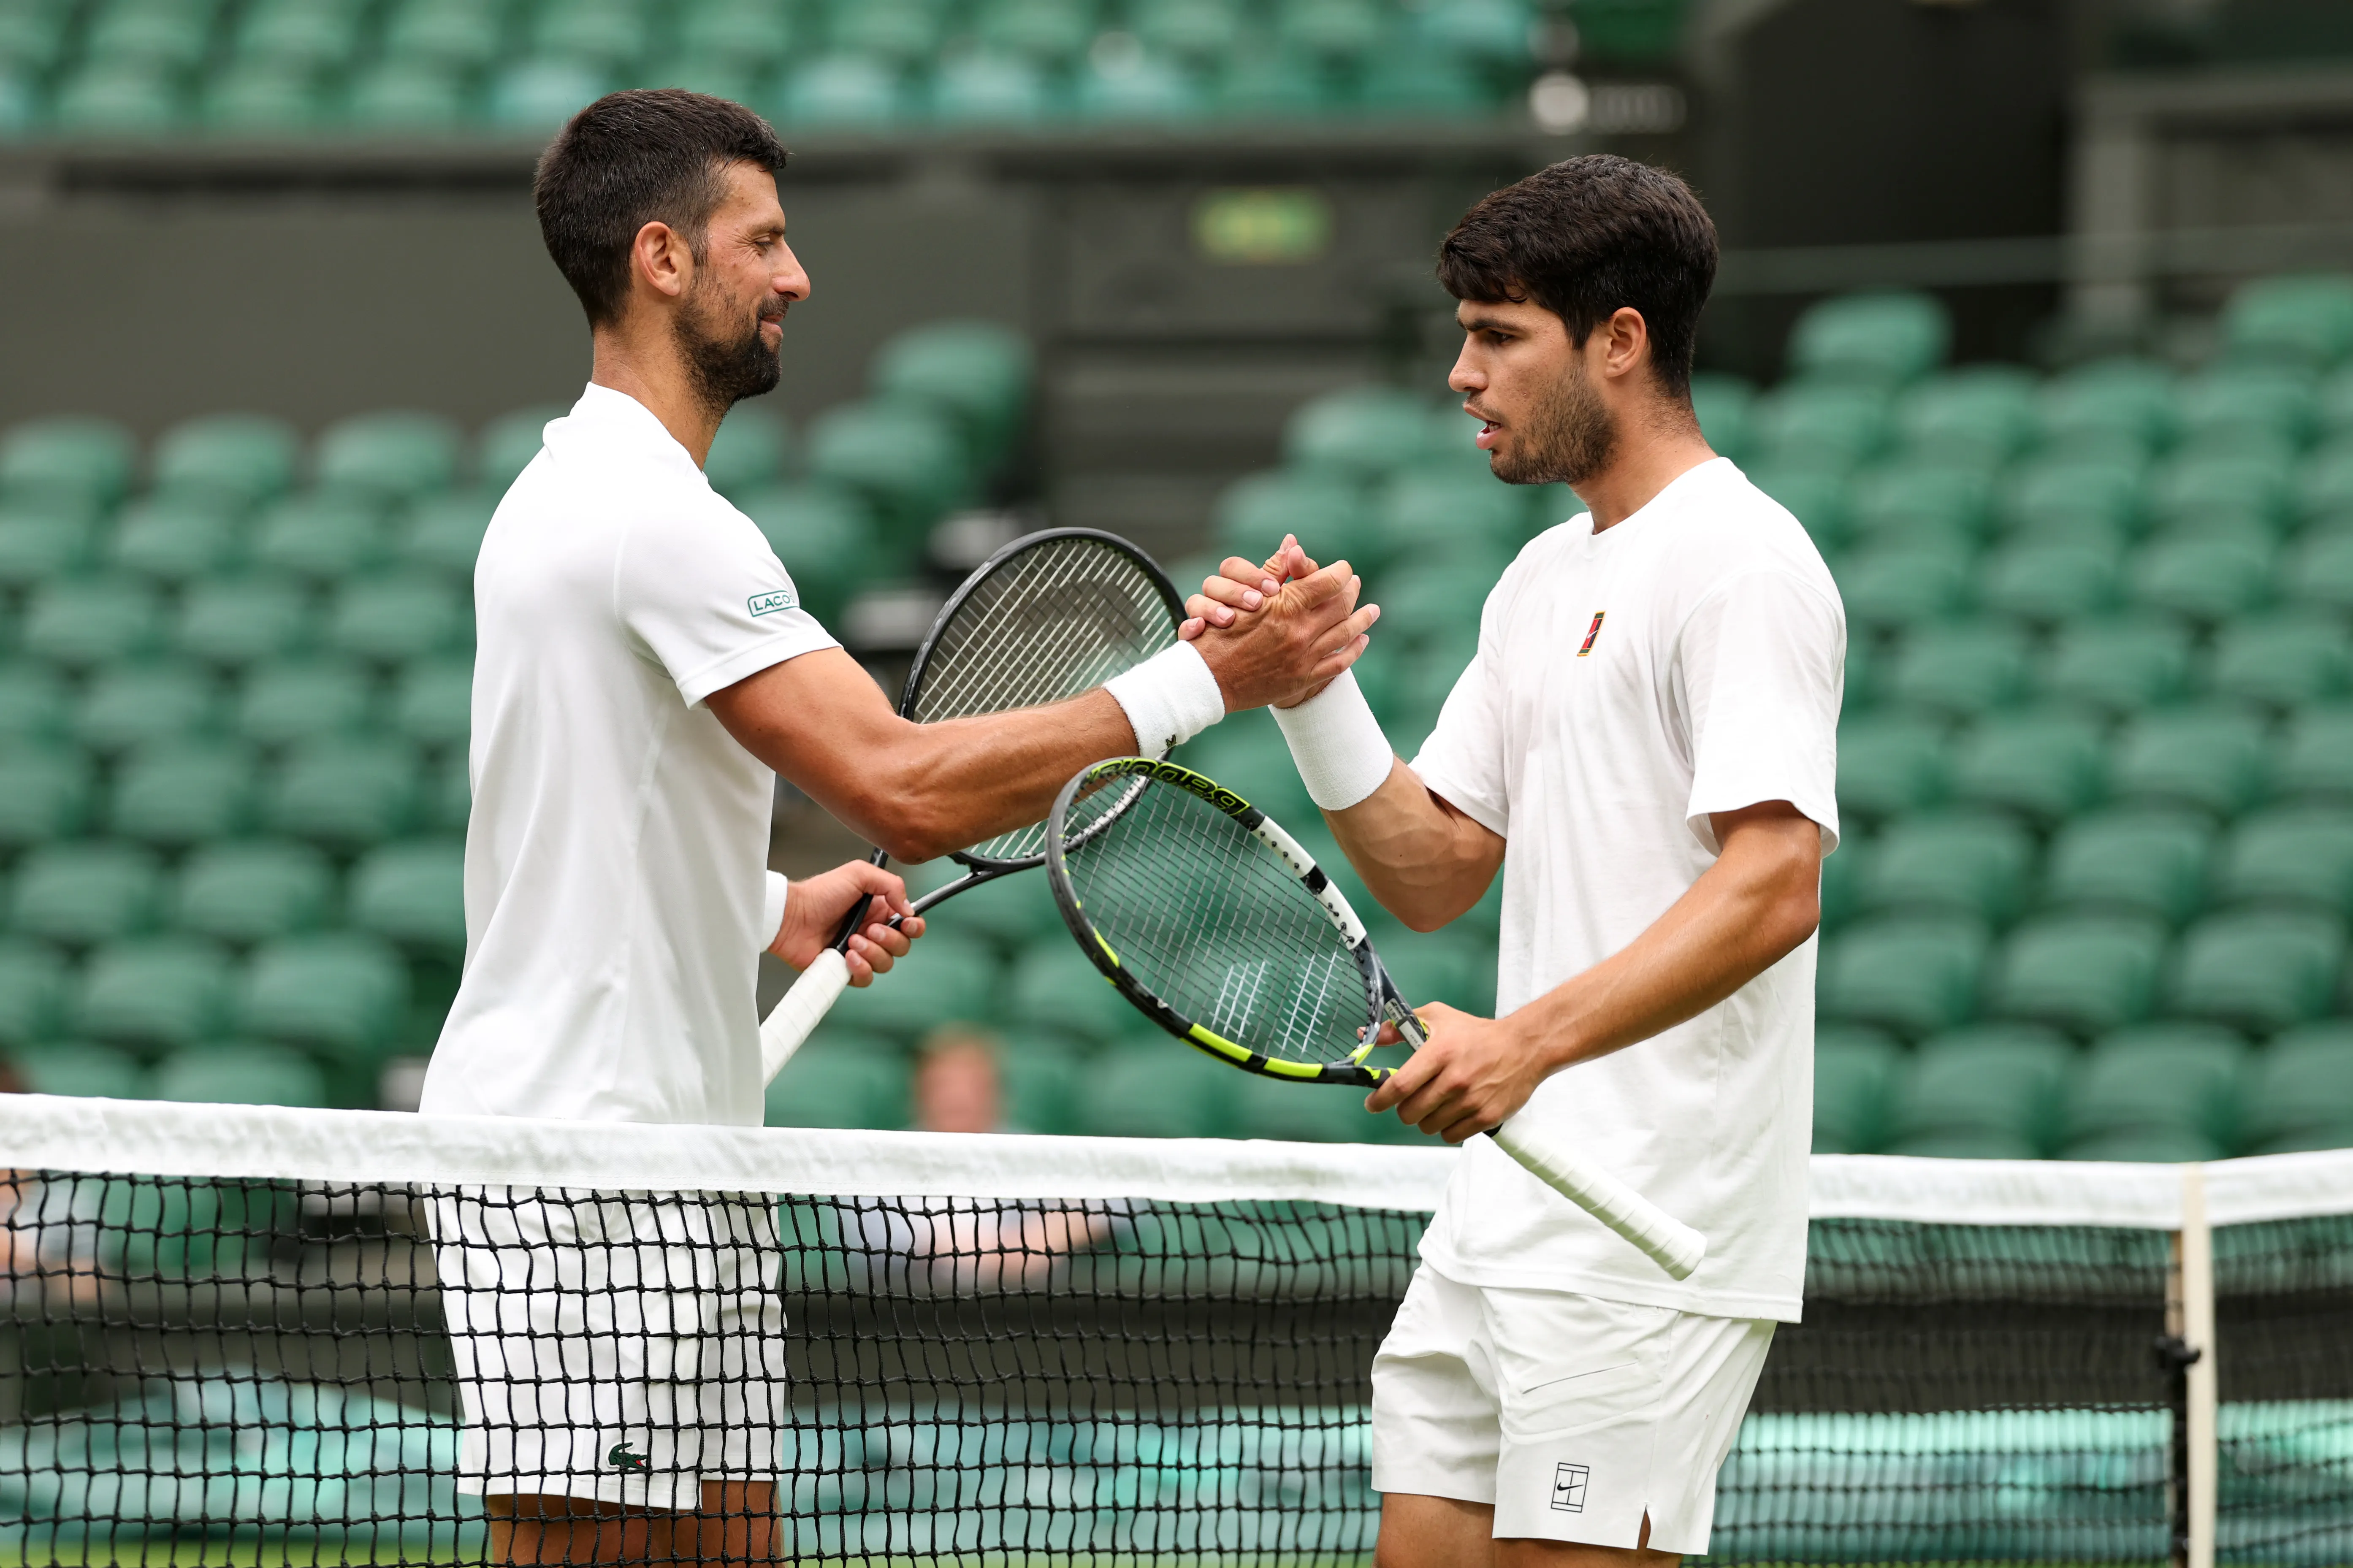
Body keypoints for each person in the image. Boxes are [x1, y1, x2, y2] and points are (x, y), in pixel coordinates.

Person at [416, 89, 1378, 1566]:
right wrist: (1210, 680)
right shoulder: (641, 512)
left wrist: (761, 911)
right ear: (663, 258)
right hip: (586, 1169)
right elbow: (905, 787)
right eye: (766, 242)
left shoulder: (586, 501)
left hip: (672, 1156)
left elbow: (581, 809)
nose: (796, 277)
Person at [1184, 156, 1842, 1568]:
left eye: (1497, 336)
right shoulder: (1540, 578)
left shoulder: (1743, 560)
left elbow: (1775, 881)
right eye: (1462, 335)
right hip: (1497, 1223)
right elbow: (1432, 874)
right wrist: (1306, 688)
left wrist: (1524, 1047)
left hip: (1643, 1235)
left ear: (1618, 341)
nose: (1459, 374)